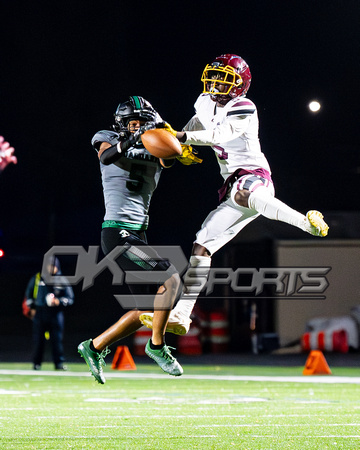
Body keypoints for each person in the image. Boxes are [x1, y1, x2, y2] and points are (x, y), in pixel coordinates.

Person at [139, 53, 330, 335]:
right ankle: (182, 313)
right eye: (214, 77)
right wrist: (178, 141)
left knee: (243, 194)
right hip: (232, 186)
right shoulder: (204, 101)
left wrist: (181, 138)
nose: (216, 84)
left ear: (239, 85)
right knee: (201, 244)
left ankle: (307, 224)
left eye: (224, 79)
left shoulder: (245, 106)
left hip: (255, 177)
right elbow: (197, 123)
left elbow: (218, 135)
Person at [77, 96, 200, 383]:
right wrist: (131, 139)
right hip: (116, 230)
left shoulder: (153, 142)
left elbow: (169, 156)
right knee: (171, 280)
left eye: (142, 122)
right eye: (132, 122)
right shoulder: (106, 137)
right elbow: (107, 156)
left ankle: (93, 347)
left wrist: (179, 147)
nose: (137, 126)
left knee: (146, 309)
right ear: (121, 123)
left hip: (137, 231)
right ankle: (156, 346)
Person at [23, 256, 74, 370]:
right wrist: (31, 308)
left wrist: (58, 301)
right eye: (49, 266)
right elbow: (29, 295)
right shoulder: (37, 278)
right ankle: (36, 363)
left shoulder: (61, 280)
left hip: (55, 314)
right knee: (38, 340)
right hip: (40, 313)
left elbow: (70, 298)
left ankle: (59, 363)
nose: (51, 268)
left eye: (53, 266)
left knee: (57, 340)